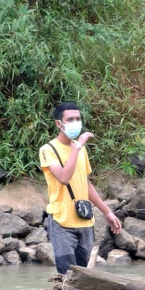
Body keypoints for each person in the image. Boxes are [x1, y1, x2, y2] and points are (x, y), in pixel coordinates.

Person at [39, 102, 121, 275]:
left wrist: (107, 212)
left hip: (84, 221)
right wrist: (77, 148)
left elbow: (85, 183)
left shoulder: (80, 150)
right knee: (67, 275)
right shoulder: (48, 149)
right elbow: (63, 177)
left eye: (78, 118)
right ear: (58, 124)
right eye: (70, 119)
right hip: (62, 222)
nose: (75, 122)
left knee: (83, 275)